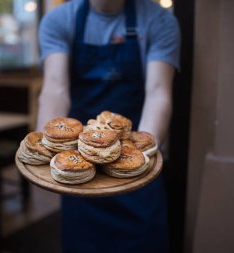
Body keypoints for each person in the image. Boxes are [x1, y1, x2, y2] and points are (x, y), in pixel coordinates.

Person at [37, 0, 180, 252]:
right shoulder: (59, 21)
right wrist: (45, 151)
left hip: (137, 172)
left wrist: (138, 161)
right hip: (80, 169)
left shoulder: (159, 21)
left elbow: (158, 94)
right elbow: (55, 89)